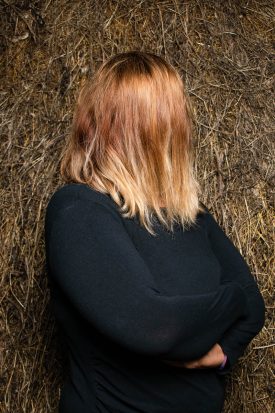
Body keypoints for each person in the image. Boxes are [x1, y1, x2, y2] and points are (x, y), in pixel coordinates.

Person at [44, 51, 266, 413]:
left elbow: (255, 306)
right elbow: (156, 326)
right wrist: (233, 301)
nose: (181, 121)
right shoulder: (79, 209)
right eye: (169, 110)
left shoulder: (191, 215)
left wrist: (223, 353)